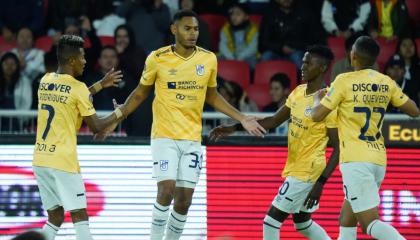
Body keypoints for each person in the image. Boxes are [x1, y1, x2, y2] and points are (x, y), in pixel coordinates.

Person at [98, 10, 265, 240]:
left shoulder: (208, 59)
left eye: (196, 29)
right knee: (166, 191)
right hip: (164, 136)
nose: (193, 33)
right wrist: (116, 118)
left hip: (191, 138)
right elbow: (139, 94)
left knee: (184, 201)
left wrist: (242, 117)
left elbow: (213, 96)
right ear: (174, 29)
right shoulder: (157, 58)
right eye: (187, 28)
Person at [209, 45, 339, 240]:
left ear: (322, 68)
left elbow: (338, 147)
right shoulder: (298, 92)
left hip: (308, 171)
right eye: (303, 61)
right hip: (298, 167)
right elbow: (273, 121)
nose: (302, 66)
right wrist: (234, 127)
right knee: (303, 223)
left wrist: (321, 183)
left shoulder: (327, 101)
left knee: (270, 221)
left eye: (308, 63)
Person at [312, 36, 420, 239]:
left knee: (369, 223)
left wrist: (319, 99)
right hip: (377, 159)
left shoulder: (343, 81)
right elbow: (414, 110)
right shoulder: (386, 82)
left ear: (352, 56)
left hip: (355, 160)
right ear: (374, 59)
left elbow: (317, 115)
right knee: (346, 218)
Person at [32, 35, 124, 240]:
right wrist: (121, 112)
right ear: (72, 60)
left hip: (41, 159)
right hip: (63, 161)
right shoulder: (78, 88)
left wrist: (100, 85)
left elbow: (72, 98)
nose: (85, 61)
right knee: (80, 215)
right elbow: (96, 127)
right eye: (82, 57)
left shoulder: (45, 81)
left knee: (54, 216)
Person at [259, 0, 313, 67]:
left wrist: (294, 47)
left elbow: (313, 40)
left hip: (298, 51)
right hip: (276, 52)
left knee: (297, 57)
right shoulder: (269, 15)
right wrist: (281, 48)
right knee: (266, 56)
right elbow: (263, 42)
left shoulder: (305, 13)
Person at [219, 3, 259, 68]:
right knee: (216, 60)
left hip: (246, 56)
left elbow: (253, 48)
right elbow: (222, 46)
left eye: (238, 14)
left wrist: (240, 58)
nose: (234, 17)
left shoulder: (253, 29)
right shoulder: (226, 29)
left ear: (246, 17)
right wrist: (231, 58)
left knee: (254, 64)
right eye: (232, 14)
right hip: (230, 55)